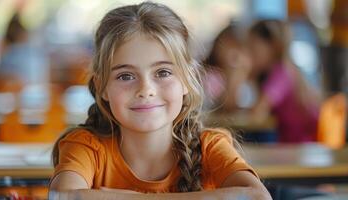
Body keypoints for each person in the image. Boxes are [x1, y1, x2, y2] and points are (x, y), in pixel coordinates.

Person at [50, 2, 271, 199]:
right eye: (126, 76)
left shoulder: (209, 146)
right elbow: (63, 196)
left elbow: (257, 196)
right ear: (101, 87)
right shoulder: (87, 147)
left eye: (163, 72)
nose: (146, 90)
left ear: (187, 79)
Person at [247, 20, 320, 143]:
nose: (249, 54)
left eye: (253, 48)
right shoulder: (282, 70)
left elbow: (257, 112)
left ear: (273, 47)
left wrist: (241, 72)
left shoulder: (281, 73)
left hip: (300, 146)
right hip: (292, 143)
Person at [203, 25, 253, 111]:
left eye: (239, 48)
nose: (234, 55)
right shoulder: (210, 77)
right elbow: (225, 108)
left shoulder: (248, 86)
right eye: (228, 46)